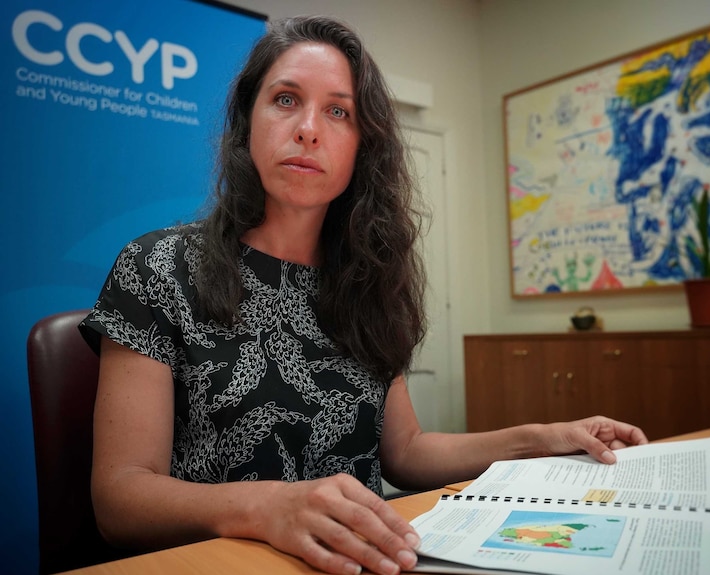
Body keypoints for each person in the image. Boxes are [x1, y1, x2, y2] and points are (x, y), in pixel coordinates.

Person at [80, 15, 647, 575]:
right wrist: (270, 506)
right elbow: (121, 497)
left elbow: (407, 452)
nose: (308, 128)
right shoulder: (157, 267)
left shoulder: (365, 281)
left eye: (338, 111)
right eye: (284, 99)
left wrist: (540, 439)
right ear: (246, 123)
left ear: (361, 148)